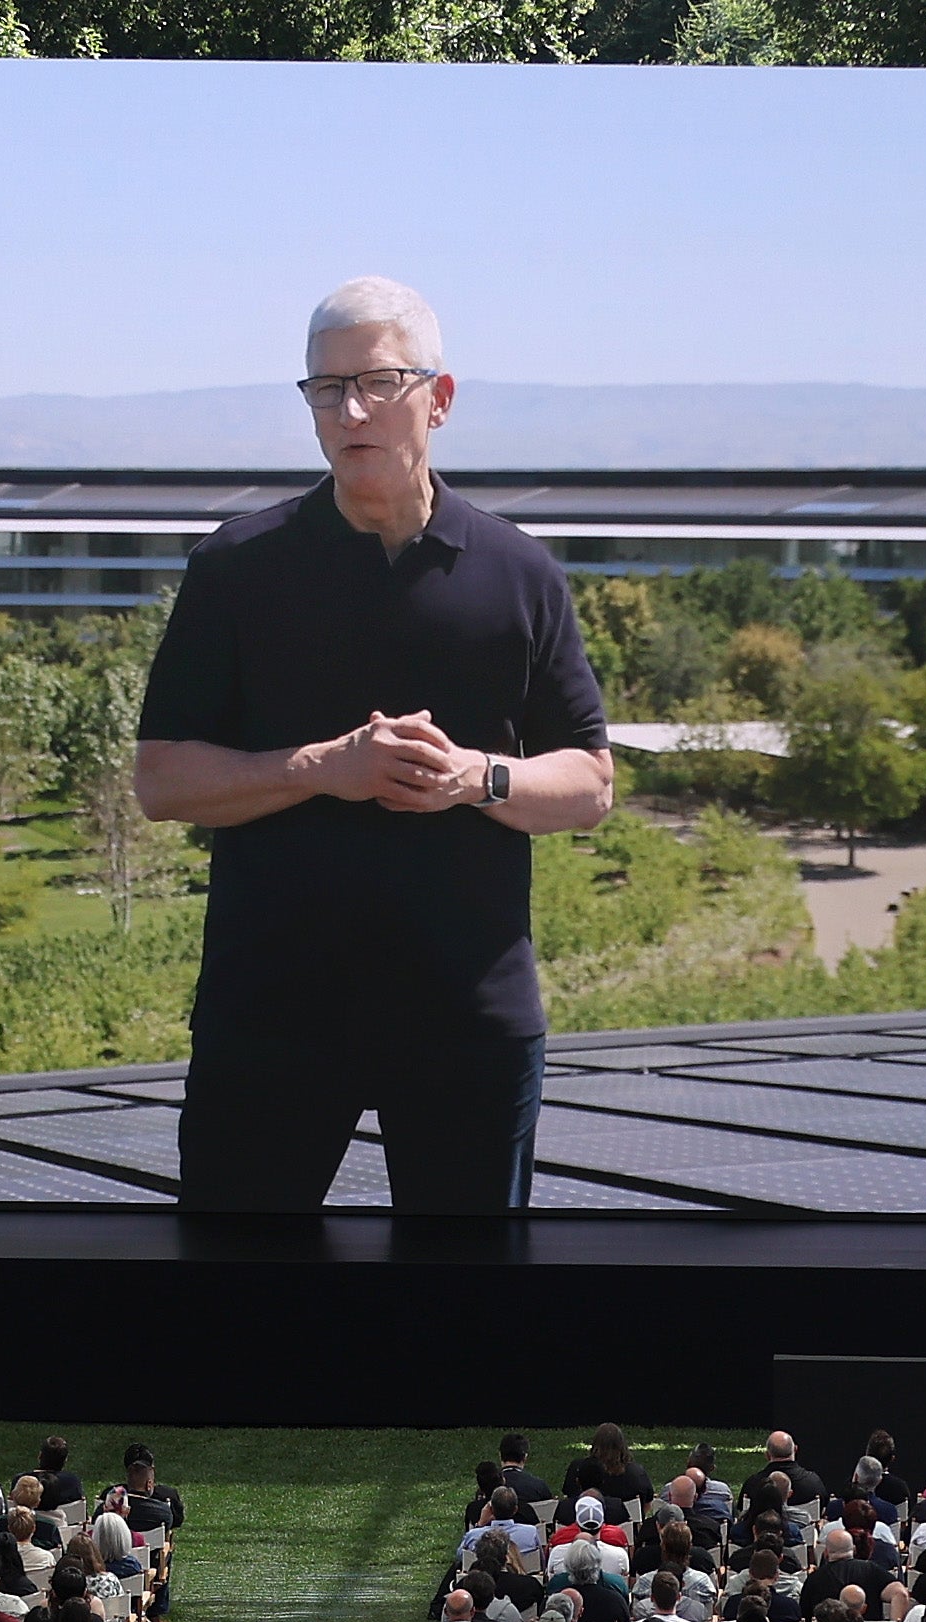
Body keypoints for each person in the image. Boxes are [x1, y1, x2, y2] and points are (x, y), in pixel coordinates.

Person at [133, 273, 617, 1213]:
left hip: (469, 1028)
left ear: (438, 398)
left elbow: (590, 785)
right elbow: (162, 780)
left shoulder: (517, 572)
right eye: (325, 387)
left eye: (378, 382)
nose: (349, 409)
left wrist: (476, 779)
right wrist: (325, 769)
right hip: (271, 1022)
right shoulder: (237, 567)